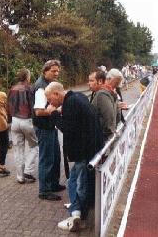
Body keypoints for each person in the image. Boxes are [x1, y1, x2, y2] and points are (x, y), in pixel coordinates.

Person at [45, 82, 104, 232]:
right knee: (77, 181)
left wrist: (53, 113)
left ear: (57, 94)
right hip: (91, 148)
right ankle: (78, 210)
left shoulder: (70, 103)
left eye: (49, 99)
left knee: (77, 183)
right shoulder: (78, 97)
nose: (49, 103)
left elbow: (68, 128)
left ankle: (77, 216)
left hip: (83, 151)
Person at [32, 59, 65, 201]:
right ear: (45, 71)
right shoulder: (41, 87)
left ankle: (53, 184)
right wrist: (57, 110)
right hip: (44, 127)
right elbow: (39, 112)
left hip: (50, 126)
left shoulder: (48, 85)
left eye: (57, 71)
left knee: (56, 156)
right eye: (53, 71)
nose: (56, 73)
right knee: (47, 159)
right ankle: (44, 190)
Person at [7, 68, 38, 184]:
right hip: (27, 120)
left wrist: (9, 120)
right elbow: (33, 105)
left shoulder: (12, 88)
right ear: (27, 77)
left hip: (15, 121)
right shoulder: (30, 88)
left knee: (18, 149)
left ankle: (20, 176)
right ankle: (28, 171)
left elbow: (8, 106)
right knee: (34, 146)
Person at [88, 70, 117, 141]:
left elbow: (109, 117)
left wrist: (103, 136)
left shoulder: (102, 94)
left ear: (100, 81)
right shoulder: (98, 92)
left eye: (91, 81)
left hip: (102, 138)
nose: (88, 83)